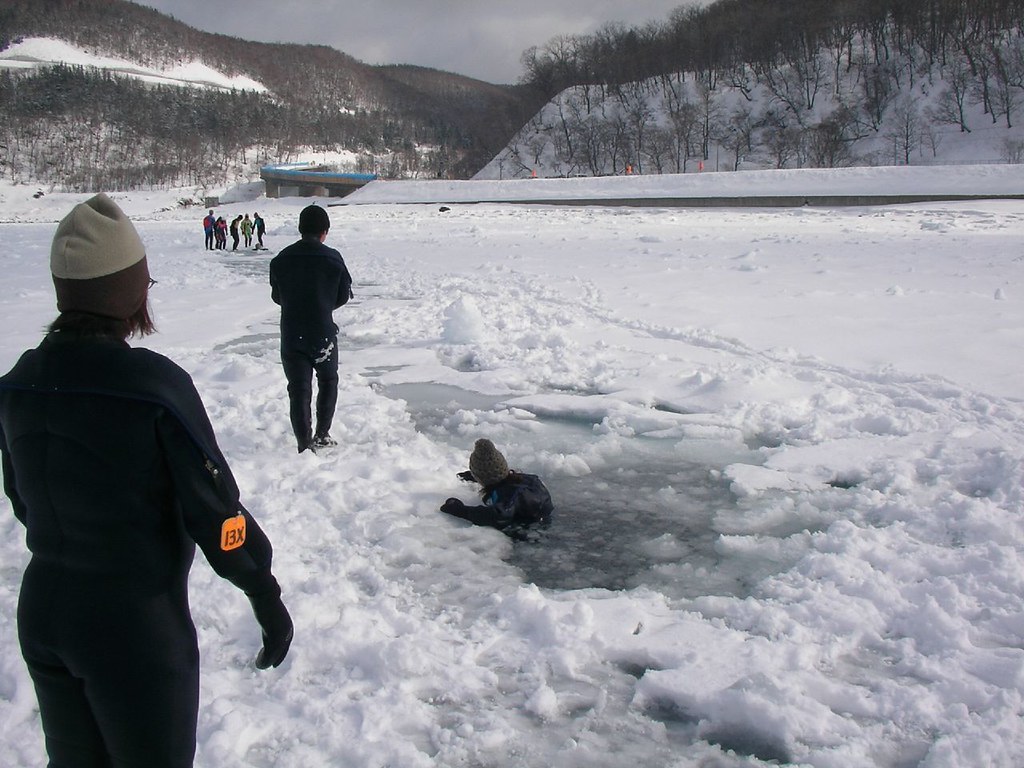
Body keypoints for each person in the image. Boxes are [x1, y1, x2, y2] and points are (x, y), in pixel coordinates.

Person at [0, 193, 293, 768]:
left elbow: (23, 501)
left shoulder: (17, 384)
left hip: (45, 614)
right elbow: (217, 512)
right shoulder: (152, 388)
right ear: (129, 291)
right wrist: (264, 591)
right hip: (134, 629)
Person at [269, 204, 353, 453]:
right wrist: (322, 304)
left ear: (300, 229)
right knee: (328, 380)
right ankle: (323, 434)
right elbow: (342, 296)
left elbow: (277, 296)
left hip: (292, 332)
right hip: (322, 332)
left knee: (299, 389)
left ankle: (303, 443)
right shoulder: (333, 258)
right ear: (324, 231)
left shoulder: (281, 259)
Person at [440, 438, 554, 537]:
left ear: (482, 478)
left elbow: (498, 516)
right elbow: (495, 475)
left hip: (536, 530)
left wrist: (461, 510)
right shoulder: (527, 480)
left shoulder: (506, 494)